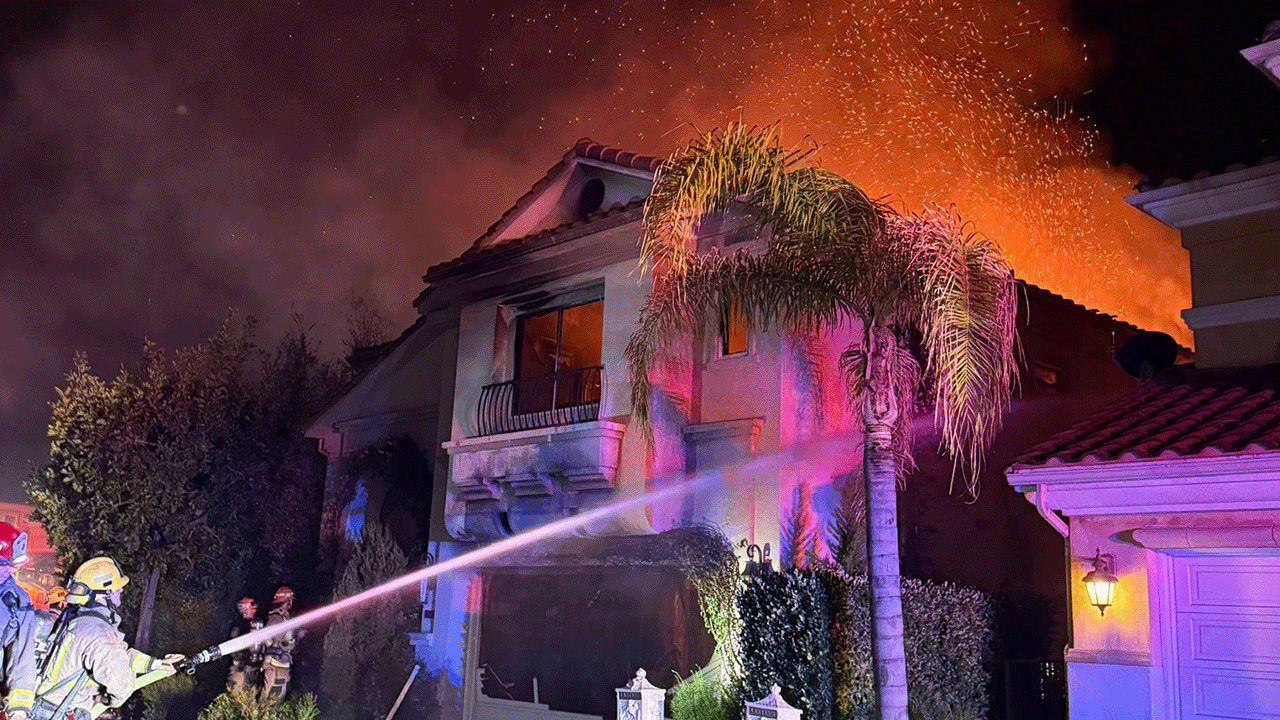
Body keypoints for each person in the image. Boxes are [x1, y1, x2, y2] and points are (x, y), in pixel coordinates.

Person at [30, 557, 183, 720]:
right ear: (105, 594)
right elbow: (121, 685)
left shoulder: (78, 622)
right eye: (118, 590)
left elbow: (121, 655)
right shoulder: (99, 632)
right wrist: (109, 700)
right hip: (63, 712)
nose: (122, 592)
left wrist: (157, 664)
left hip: (44, 707)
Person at [0, 522, 37, 720]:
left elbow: (23, 658)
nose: (9, 572)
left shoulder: (17, 603)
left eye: (9, 567)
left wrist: (19, 710)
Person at [259, 587, 295, 701]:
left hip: (280, 666)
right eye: (291, 600)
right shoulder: (278, 619)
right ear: (288, 601)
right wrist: (266, 661)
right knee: (270, 702)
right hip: (275, 667)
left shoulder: (283, 617)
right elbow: (270, 642)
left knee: (274, 700)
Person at [225, 597, 263, 693]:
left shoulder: (259, 622)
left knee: (252, 693)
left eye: (245, 609)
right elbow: (234, 647)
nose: (244, 613)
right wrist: (241, 663)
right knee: (236, 693)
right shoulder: (238, 625)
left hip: (256, 668)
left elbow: (260, 645)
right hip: (240, 668)